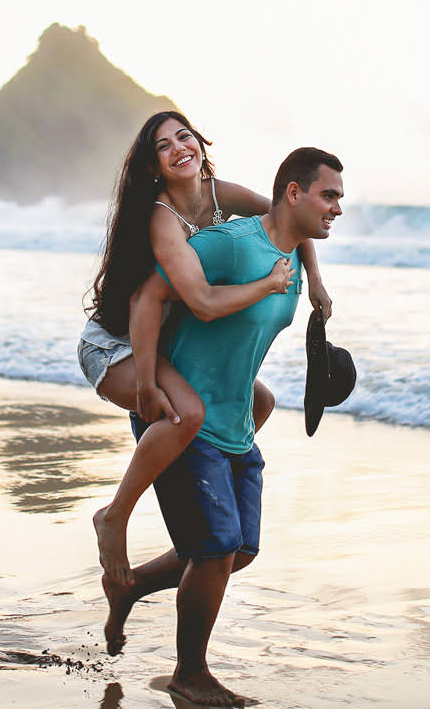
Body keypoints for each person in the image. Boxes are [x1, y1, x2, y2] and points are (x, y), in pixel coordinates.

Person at [104, 147, 344, 708]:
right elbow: (148, 295)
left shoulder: (290, 256)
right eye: (329, 196)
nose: (337, 208)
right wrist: (147, 386)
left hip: (233, 419)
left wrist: (316, 281)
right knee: (214, 550)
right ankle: (190, 675)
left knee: (239, 550)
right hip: (185, 419)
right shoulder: (232, 244)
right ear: (293, 193)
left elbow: (291, 247)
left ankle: (130, 587)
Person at [80, 113, 332, 586]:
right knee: (189, 413)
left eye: (184, 136)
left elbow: (291, 217)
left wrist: (314, 279)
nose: (179, 148)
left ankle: (198, 479)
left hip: (165, 336)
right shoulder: (162, 219)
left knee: (260, 401)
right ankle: (114, 516)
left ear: (199, 142)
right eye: (163, 146)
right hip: (117, 343)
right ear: (152, 166)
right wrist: (148, 383)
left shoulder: (218, 193)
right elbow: (201, 303)